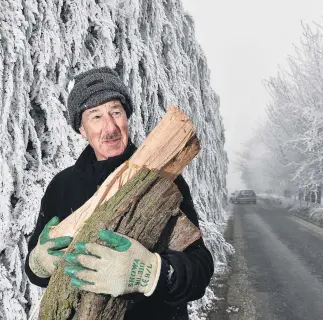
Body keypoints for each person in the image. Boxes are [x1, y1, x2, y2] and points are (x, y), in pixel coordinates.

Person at [25, 66, 214, 320]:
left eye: (116, 112)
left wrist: (151, 274)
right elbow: (36, 268)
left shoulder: (164, 178)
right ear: (82, 130)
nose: (110, 127)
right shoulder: (62, 186)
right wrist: (38, 262)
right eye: (95, 116)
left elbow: (200, 268)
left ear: (127, 116)